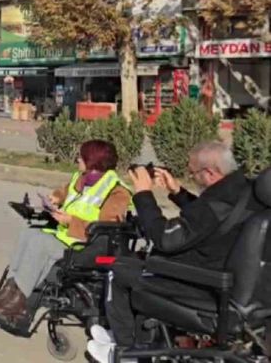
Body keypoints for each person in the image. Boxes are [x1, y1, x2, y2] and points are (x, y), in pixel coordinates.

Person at [87, 141, 261, 362]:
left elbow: (165, 238)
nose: (191, 177)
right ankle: (125, 336)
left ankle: (126, 350)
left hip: (207, 283)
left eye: (193, 173)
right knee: (137, 264)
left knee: (119, 270)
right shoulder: (243, 191)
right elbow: (210, 221)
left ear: (210, 173)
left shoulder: (218, 200)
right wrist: (178, 192)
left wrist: (143, 194)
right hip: (233, 283)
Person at [0, 140, 132, 327]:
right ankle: (6, 295)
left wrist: (71, 221)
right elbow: (64, 192)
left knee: (40, 242)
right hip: (68, 237)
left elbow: (108, 228)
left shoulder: (117, 192)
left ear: (94, 161)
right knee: (29, 231)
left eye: (82, 157)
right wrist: (55, 198)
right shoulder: (82, 178)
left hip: (89, 246)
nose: (78, 159)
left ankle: (20, 305)